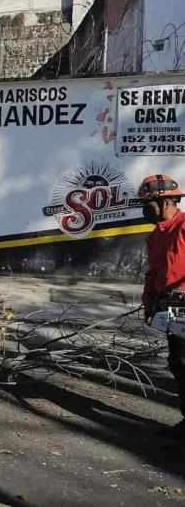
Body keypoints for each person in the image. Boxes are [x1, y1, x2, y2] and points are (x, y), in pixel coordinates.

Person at [140, 174, 185, 436]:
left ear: (167, 201)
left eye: (150, 204)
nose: (146, 209)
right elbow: (153, 273)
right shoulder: (156, 236)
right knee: (178, 361)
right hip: (171, 307)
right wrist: (148, 302)